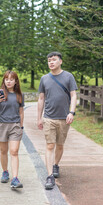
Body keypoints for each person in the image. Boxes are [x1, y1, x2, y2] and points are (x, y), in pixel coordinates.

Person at [37, 51, 78, 190]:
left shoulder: (68, 77)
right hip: (49, 117)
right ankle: (49, 176)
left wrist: (71, 112)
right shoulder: (44, 79)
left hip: (64, 118)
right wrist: (39, 118)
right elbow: (41, 98)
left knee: (60, 145)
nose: (51, 62)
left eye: (54, 60)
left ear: (60, 61)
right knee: (50, 145)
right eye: (49, 60)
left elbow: (73, 95)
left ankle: (56, 165)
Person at [0, 70, 25, 189]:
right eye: (6, 79)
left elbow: (21, 112)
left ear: (16, 81)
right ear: (4, 81)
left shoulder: (19, 95)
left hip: (15, 125)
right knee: (3, 151)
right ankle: (5, 172)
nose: (8, 81)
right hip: (2, 125)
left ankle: (15, 178)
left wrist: (21, 126)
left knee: (14, 151)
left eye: (11, 79)